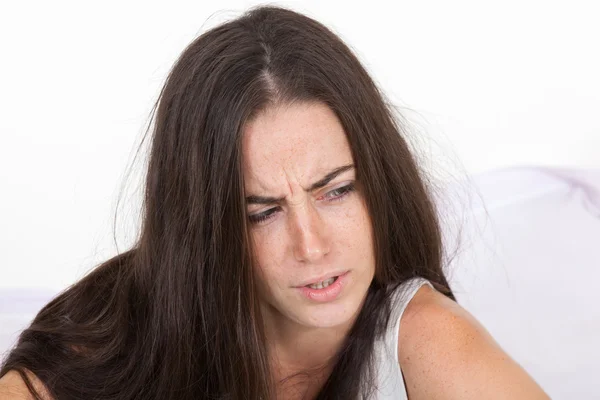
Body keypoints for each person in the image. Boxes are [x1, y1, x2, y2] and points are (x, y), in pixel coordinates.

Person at [0, 5, 549, 399]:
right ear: (205, 234)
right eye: (262, 212)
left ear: (379, 183)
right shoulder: (108, 335)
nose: (312, 246)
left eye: (335, 190)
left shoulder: (426, 341)